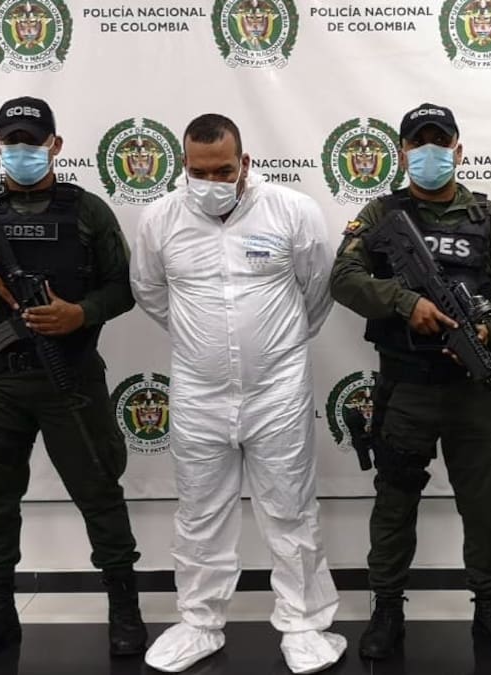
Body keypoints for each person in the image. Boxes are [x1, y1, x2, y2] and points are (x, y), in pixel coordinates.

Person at [0, 96, 146, 663]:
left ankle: (124, 608)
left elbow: (125, 287)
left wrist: (80, 314)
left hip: (71, 380)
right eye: (12, 141)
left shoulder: (88, 212)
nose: (22, 150)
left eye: (33, 141)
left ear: (55, 145)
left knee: (100, 494)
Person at [129, 114, 344, 674]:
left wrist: (273, 344)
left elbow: (317, 290)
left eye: (224, 170)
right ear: (184, 165)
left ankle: (304, 624)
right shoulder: (159, 219)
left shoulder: (292, 211)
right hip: (198, 393)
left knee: (290, 509)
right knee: (199, 512)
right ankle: (199, 622)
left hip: (279, 390)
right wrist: (202, 341)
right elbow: (150, 291)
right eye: (199, 172)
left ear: (245, 162)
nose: (212, 182)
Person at [329, 103, 491, 661]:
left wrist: (486, 327)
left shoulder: (490, 218)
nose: (429, 151)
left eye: (439, 142)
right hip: (406, 389)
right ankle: (386, 607)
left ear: (458, 150)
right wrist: (406, 302)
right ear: (402, 153)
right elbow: (343, 278)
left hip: (472, 391)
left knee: (484, 505)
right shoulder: (380, 214)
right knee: (394, 503)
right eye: (418, 143)